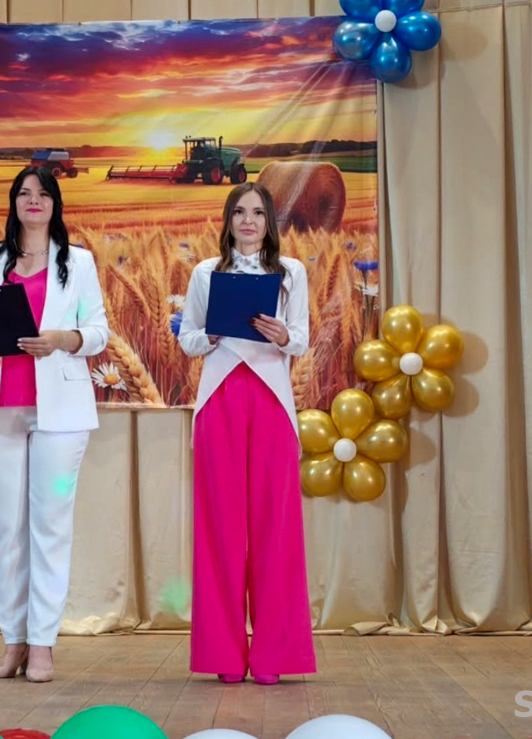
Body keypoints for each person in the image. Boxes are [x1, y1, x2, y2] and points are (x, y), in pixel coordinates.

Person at [0, 166, 109, 683]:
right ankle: (13, 643)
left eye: (43, 194)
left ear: (55, 204)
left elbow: (99, 332)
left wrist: (63, 339)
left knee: (49, 527)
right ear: (14, 202)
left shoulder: (78, 262)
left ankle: (43, 644)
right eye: (24, 193)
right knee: (7, 530)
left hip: (60, 411)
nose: (34, 201)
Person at [177, 182, 316, 685]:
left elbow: (301, 337)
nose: (249, 221)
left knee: (276, 529)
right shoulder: (205, 272)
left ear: (269, 221)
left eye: (258, 212)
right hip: (220, 400)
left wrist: (284, 335)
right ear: (228, 220)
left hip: (272, 402)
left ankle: (274, 656)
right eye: (239, 212)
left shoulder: (290, 273)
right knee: (220, 528)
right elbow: (189, 338)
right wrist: (211, 333)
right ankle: (224, 655)